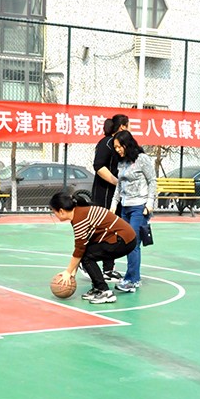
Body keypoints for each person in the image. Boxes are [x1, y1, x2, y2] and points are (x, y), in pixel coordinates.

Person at [50, 192, 136, 305]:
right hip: (124, 238)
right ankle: (98, 288)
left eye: (54, 212)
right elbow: (83, 245)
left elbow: (79, 249)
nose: (54, 215)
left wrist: (68, 272)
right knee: (86, 254)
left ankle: (104, 292)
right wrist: (73, 272)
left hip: (123, 240)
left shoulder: (79, 218)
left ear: (61, 211)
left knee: (87, 257)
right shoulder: (80, 212)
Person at [112, 130, 157, 293]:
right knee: (127, 242)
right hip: (125, 206)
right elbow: (119, 185)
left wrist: (150, 203)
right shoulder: (122, 162)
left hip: (140, 207)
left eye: (119, 146)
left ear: (127, 144)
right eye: (115, 147)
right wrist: (114, 203)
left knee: (133, 242)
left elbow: (152, 181)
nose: (117, 150)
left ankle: (132, 280)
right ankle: (131, 277)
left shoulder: (142, 159)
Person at [91, 114, 130, 281]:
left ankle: (108, 269)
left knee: (113, 232)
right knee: (101, 230)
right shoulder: (106, 143)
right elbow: (98, 166)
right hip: (104, 194)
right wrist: (117, 182)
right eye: (128, 125)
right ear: (122, 127)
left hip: (116, 196)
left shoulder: (119, 145)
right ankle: (87, 261)